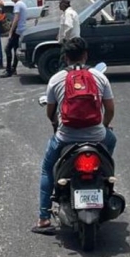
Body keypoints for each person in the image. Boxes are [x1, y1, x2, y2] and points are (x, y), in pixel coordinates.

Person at [32, 37, 116, 234]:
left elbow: (50, 112)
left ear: (66, 57)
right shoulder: (99, 77)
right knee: (111, 142)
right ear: (85, 55)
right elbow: (110, 109)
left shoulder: (56, 79)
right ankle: (106, 177)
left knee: (46, 169)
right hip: (97, 135)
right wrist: (103, 126)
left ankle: (44, 218)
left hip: (65, 137)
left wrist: (55, 123)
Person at [1, 0, 27, 78]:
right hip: (21, 30)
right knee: (15, 49)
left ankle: (9, 70)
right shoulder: (22, 4)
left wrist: (11, 31)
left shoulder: (18, 5)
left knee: (8, 49)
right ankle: (13, 68)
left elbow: (16, 19)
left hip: (17, 30)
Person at [57, 0, 80, 70]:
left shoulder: (68, 13)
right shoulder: (72, 12)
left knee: (63, 63)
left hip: (70, 42)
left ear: (64, 4)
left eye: (60, 3)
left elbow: (69, 26)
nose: (59, 5)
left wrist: (64, 38)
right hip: (75, 42)